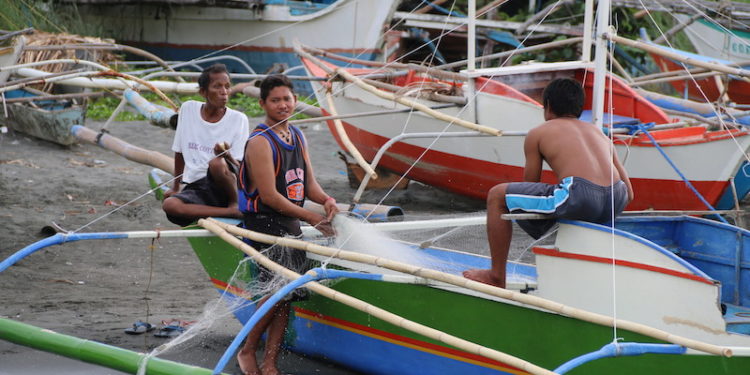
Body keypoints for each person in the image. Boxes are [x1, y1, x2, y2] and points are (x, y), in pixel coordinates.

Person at [463, 78, 634, 288]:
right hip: (616, 197)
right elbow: (630, 193)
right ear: (580, 108)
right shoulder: (600, 134)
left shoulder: (539, 132)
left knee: (497, 196)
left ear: (548, 106)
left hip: (578, 194)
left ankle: (496, 275)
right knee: (565, 201)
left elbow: (530, 183)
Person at [235, 74, 339, 375]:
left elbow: (308, 185)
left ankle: (270, 363)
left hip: (290, 222)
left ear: (295, 101)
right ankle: (247, 350)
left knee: (286, 296)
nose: (283, 105)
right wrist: (312, 217)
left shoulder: (297, 135)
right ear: (263, 103)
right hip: (265, 222)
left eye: (287, 99)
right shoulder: (260, 141)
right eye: (275, 100)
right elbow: (269, 195)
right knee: (274, 292)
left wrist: (327, 201)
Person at [162, 63, 249, 226]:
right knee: (170, 205)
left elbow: (239, 167)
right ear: (203, 92)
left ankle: (234, 205)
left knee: (216, 163)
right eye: (217, 87)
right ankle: (229, 212)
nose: (224, 92)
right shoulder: (188, 109)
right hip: (197, 187)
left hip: (226, 185)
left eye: (227, 87)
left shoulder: (239, 119)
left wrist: (226, 155)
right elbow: (179, 151)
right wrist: (175, 187)